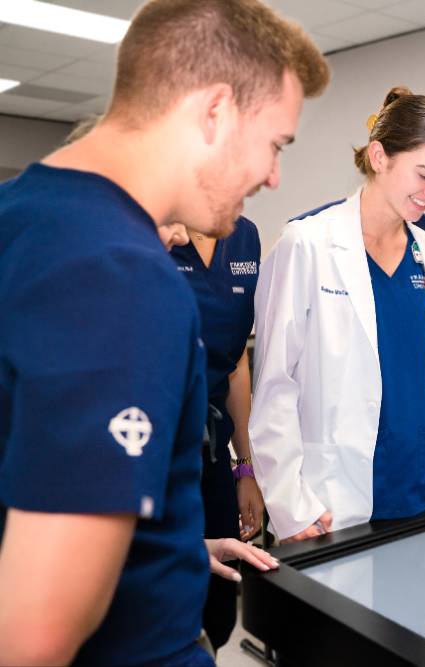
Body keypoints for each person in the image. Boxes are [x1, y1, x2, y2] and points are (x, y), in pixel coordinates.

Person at [0, 1, 329, 664]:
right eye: (275, 144)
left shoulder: (22, 214)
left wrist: (176, 545)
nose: (274, 176)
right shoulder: (125, 278)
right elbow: (34, 634)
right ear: (216, 112)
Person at [250, 86, 425, 542]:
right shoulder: (308, 244)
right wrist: (289, 504)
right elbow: (275, 383)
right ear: (379, 157)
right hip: (335, 501)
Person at [170, 217, 265, 652]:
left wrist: (245, 466)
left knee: (221, 608)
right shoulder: (155, 229)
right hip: (161, 450)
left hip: (213, 452)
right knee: (165, 596)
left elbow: (236, 361)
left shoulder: (243, 237)